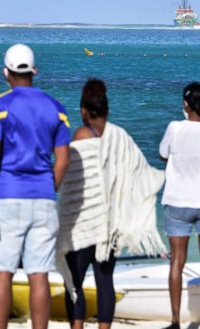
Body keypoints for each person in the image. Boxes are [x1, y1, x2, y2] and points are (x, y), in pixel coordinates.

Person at [57, 79, 165, 329]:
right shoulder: (121, 137)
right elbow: (135, 176)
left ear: (84, 110)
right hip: (111, 223)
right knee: (105, 281)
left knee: (74, 281)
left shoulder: (80, 135)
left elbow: (72, 184)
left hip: (85, 222)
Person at [0, 43, 71, 329]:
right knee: (39, 275)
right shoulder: (56, 107)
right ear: (35, 71)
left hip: (6, 196)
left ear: (5, 72)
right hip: (43, 197)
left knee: (2, 274)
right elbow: (63, 160)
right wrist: (49, 187)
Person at [159, 82, 200, 329]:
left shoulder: (174, 128)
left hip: (178, 200)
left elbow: (163, 154)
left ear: (185, 105)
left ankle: (176, 321)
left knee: (177, 261)